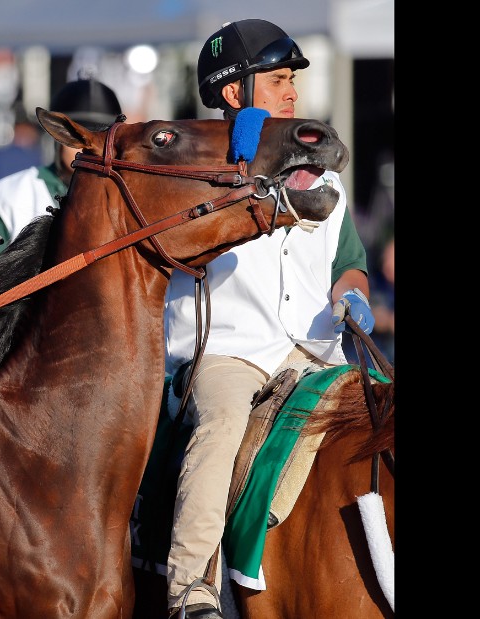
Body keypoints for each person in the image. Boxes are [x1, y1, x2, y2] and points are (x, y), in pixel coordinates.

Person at [161, 19, 374, 619]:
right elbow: (183, 249)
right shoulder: (190, 164)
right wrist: (241, 169)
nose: (291, 93)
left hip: (316, 351)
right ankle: (188, 586)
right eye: (277, 80)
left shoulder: (323, 174)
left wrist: (351, 294)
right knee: (223, 425)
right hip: (227, 351)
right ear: (235, 93)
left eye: (292, 81)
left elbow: (349, 263)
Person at [0, 79, 122, 254]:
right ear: (57, 137)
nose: (89, 147)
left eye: (101, 138)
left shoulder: (129, 196)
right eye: (76, 137)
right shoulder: (10, 195)